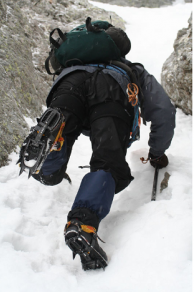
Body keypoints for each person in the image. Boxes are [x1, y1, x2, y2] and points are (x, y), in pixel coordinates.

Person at [19, 19, 175, 270]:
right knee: (107, 162)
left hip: (69, 84)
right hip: (112, 90)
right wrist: (157, 152)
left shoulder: (74, 63)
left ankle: (51, 151)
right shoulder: (132, 68)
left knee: (61, 128)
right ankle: (83, 224)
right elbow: (164, 111)